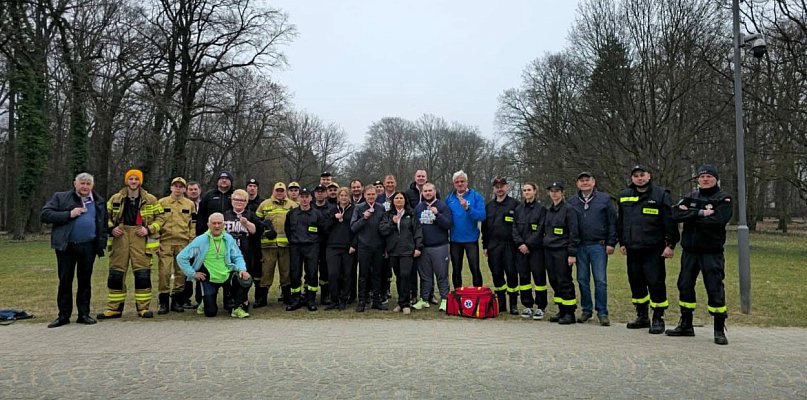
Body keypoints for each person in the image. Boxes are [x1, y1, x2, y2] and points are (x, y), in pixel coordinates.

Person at [667, 165, 732, 345]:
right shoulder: (691, 196)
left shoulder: (723, 198)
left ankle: (719, 329)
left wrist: (689, 216)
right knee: (685, 285)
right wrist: (700, 213)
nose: (705, 179)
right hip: (690, 251)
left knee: (714, 288)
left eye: (709, 176)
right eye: (702, 176)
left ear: (716, 179)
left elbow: (718, 220)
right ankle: (686, 325)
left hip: (711, 252)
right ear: (698, 179)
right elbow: (674, 213)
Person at [617, 165, 679, 334]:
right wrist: (622, 242)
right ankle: (642, 316)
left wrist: (671, 244)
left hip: (654, 248)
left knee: (655, 283)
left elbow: (670, 222)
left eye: (642, 175)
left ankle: (658, 317)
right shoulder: (624, 195)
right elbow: (621, 222)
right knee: (636, 282)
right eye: (636, 175)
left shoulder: (661, 195)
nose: (639, 178)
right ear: (632, 178)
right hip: (633, 248)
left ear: (649, 176)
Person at [41, 172, 108, 328]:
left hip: (88, 246)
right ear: (75, 184)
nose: (85, 186)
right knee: (65, 281)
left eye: (88, 184)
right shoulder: (61, 197)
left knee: (85, 281)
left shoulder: (98, 201)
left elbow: (103, 224)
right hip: (66, 246)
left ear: (92, 185)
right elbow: (45, 215)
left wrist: (101, 243)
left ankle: (83, 314)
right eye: (82, 183)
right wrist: (68, 214)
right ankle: (63, 315)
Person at [97, 169, 162, 319]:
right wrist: (112, 229)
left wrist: (149, 229)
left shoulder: (150, 199)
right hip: (120, 236)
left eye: (136, 179)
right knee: (116, 274)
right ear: (126, 181)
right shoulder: (115, 198)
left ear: (140, 181)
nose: (134, 182)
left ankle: (143, 308)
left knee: (142, 274)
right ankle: (114, 309)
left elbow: (161, 219)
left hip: (141, 237)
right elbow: (103, 217)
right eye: (131, 179)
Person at [177, 213, 251, 318]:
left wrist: (242, 269)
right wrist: (192, 273)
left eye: (219, 223)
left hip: (226, 274)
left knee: (245, 279)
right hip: (209, 278)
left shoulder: (228, 239)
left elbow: (237, 256)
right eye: (214, 223)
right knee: (211, 313)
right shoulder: (200, 240)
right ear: (208, 224)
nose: (217, 226)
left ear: (224, 225)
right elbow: (181, 257)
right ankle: (204, 302)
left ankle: (237, 308)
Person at [568, 172, 617, 326]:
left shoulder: (605, 199)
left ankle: (602, 312)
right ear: (577, 184)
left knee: (600, 280)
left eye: (587, 180)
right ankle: (586, 310)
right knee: (582, 279)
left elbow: (612, 222)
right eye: (581, 181)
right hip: (580, 246)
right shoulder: (571, 201)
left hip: (599, 245)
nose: (584, 183)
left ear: (593, 182)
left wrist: (611, 242)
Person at [154, 177, 195, 315]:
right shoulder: (162, 202)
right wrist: (155, 241)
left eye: (181, 186)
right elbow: (156, 222)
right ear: (171, 187)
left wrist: (192, 243)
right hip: (165, 242)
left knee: (181, 273)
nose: (178, 189)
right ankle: (163, 301)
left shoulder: (190, 204)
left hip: (183, 243)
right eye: (175, 186)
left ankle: (177, 300)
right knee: (164, 272)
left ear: (184, 189)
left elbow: (192, 225)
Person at [284, 188, 330, 311]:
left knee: (312, 273)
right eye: (302, 197)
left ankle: (311, 299)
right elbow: (287, 230)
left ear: (311, 198)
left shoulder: (317, 214)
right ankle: (296, 299)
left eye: (307, 197)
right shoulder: (292, 213)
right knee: (295, 273)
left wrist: (315, 241)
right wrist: (294, 241)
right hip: (296, 247)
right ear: (298, 198)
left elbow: (323, 231)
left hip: (312, 247)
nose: (304, 199)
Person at [379, 192, 423, 315]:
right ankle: (400, 302)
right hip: (393, 250)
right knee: (398, 276)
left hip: (408, 250)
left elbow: (417, 231)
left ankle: (405, 304)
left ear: (405, 200)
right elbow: (382, 230)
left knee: (405, 275)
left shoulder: (411, 214)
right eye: (396, 198)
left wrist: (418, 247)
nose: (399, 200)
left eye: (401, 198)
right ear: (393, 201)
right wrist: (391, 222)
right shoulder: (388, 215)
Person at [542, 181, 580, 325]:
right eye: (552, 191)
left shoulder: (569, 210)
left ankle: (570, 312)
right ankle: (561, 310)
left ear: (562, 193)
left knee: (564, 281)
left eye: (557, 191)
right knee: (553, 280)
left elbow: (574, 232)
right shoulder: (549, 210)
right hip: (549, 250)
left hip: (562, 251)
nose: (554, 193)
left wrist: (572, 253)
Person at [255, 182, 298, 307]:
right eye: (277, 190)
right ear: (273, 191)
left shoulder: (293, 205)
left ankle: (287, 296)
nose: (280, 193)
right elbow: (257, 222)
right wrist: (264, 230)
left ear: (285, 192)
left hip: (286, 246)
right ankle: (262, 298)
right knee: (266, 272)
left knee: (286, 272)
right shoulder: (264, 204)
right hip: (268, 246)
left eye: (282, 191)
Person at [482, 177, 520, 315]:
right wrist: (485, 245)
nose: (499, 189)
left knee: (511, 273)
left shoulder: (515, 204)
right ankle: (502, 304)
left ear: (507, 187)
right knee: (497, 274)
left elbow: (520, 226)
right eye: (497, 186)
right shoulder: (489, 206)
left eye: (502, 186)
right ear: (493, 189)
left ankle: (514, 304)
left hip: (510, 245)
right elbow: (484, 229)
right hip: (493, 246)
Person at [412, 183, 452, 311]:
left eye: (430, 190)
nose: (428, 193)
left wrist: (437, 214)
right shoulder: (419, 207)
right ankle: (424, 299)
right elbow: (415, 227)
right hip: (424, 247)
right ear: (422, 193)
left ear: (435, 191)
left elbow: (448, 224)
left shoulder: (442, 206)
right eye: (425, 191)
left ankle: (445, 299)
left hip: (440, 246)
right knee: (425, 276)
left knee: (442, 275)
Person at [444, 170, 486, 289]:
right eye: (457, 182)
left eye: (462, 181)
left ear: (467, 182)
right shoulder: (449, 198)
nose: (460, 184)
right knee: (456, 269)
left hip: (471, 240)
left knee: (475, 268)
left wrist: (468, 208)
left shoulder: (476, 196)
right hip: (455, 240)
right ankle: (458, 296)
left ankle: (478, 295)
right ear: (454, 184)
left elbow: (482, 216)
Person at [512, 182, 547, 320]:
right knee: (524, 278)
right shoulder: (518, 209)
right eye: (524, 190)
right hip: (520, 250)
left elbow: (541, 229)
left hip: (536, 250)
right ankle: (527, 305)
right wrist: (520, 244)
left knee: (539, 278)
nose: (526, 192)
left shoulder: (541, 209)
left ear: (535, 191)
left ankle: (541, 307)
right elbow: (514, 228)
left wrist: (528, 245)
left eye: (529, 190)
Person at [223, 189, 261, 313]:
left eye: (242, 200)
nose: (239, 202)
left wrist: (246, 223)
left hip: (245, 252)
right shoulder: (225, 215)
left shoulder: (250, 215)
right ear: (232, 201)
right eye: (236, 199)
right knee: (229, 277)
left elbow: (255, 230)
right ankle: (229, 299)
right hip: (228, 253)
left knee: (244, 277)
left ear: (246, 202)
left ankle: (243, 299)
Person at [350, 184, 386, 312]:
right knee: (363, 275)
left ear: (376, 195)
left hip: (378, 246)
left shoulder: (381, 208)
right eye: (368, 194)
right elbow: (353, 227)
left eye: (373, 194)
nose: (371, 196)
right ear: (364, 195)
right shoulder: (359, 208)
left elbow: (384, 227)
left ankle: (376, 301)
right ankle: (362, 302)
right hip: (364, 246)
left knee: (377, 274)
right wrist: (363, 218)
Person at [324, 187, 357, 310]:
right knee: (333, 274)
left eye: (346, 195)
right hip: (332, 247)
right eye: (341, 195)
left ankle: (344, 299)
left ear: (350, 197)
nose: (344, 198)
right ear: (338, 197)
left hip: (348, 247)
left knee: (347, 274)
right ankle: (334, 300)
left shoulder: (354, 210)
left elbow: (357, 229)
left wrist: (354, 244)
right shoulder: (331, 210)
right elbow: (324, 227)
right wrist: (334, 218)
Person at [179, 180, 202, 309]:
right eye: (191, 189)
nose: (193, 191)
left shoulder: (204, 204)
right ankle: (185, 298)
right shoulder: (184, 205)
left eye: (195, 189)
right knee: (186, 270)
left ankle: (200, 298)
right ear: (186, 191)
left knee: (199, 268)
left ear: (200, 191)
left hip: (201, 241)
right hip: (186, 241)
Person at [314, 184, 335, 305]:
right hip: (312, 243)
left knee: (325, 270)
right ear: (314, 194)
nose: (320, 193)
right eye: (318, 191)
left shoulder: (332, 208)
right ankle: (308, 293)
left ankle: (325, 294)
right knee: (310, 269)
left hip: (326, 243)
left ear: (326, 194)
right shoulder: (309, 207)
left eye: (322, 191)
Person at [196, 171, 234, 236]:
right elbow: (201, 215)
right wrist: (201, 232)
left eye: (227, 179)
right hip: (210, 232)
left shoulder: (235, 195)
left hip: (230, 232)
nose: (224, 180)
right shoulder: (208, 195)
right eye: (221, 178)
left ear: (231, 181)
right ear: (217, 181)